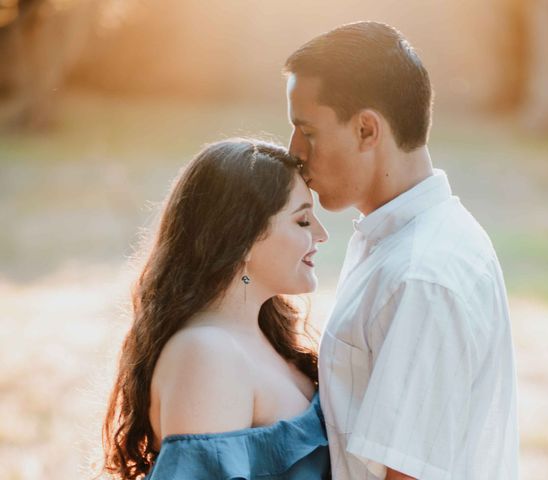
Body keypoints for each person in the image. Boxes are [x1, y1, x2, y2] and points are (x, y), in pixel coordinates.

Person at [285, 21, 519, 480]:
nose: (294, 151)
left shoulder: (422, 276)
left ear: (367, 130)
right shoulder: (399, 242)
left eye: (307, 131)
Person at [102, 139, 330, 480]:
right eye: (302, 221)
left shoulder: (262, 337)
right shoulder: (206, 354)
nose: (322, 234)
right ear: (244, 236)